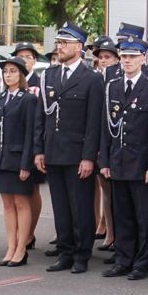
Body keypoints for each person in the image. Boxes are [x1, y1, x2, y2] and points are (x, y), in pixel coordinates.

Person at [35, 23, 104, 274]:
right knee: (61, 207)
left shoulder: (91, 79)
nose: (60, 47)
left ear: (79, 47)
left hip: (77, 154)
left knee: (81, 207)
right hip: (53, 151)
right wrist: (39, 149)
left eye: (65, 43)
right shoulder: (49, 76)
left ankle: (81, 254)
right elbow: (42, 117)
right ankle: (65, 251)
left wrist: (88, 157)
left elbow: (93, 123)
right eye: (59, 43)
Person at [100, 37, 148, 279]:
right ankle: (123, 259)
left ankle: (141, 262)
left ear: (142, 59)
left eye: (132, 57)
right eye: (124, 57)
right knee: (122, 214)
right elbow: (106, 127)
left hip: (141, 163)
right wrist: (105, 161)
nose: (127, 61)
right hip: (118, 161)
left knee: (143, 216)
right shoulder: (113, 87)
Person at [0, 58, 38, 267]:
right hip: (1, 158)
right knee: (7, 205)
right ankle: (11, 245)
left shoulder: (27, 99)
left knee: (21, 203)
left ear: (22, 75)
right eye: (6, 72)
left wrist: (26, 164)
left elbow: (30, 134)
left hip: (18, 159)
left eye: (13, 72)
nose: (8, 75)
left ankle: (21, 248)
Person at [12, 41, 45, 250]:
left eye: (28, 56)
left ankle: (29, 233)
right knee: (15, 193)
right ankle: (17, 233)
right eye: (20, 56)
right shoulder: (9, 81)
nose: (24, 60)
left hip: (33, 142)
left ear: (34, 60)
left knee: (32, 190)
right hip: (13, 144)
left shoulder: (40, 82)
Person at [91, 37, 121, 249]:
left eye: (108, 57)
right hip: (98, 142)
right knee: (105, 191)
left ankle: (115, 234)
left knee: (115, 193)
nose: (103, 61)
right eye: (101, 57)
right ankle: (109, 232)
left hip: (115, 143)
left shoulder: (117, 81)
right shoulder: (97, 79)